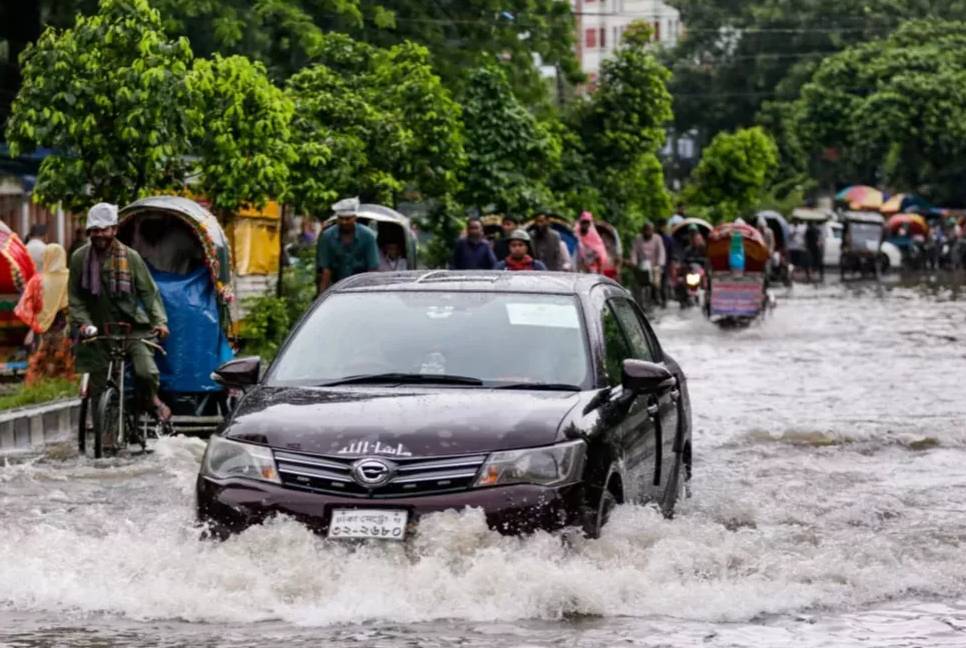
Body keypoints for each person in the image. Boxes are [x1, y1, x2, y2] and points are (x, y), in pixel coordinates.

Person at [69, 203, 170, 452]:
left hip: (131, 327)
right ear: (89, 232)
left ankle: (151, 399)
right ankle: (106, 435)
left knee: (146, 371)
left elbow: (149, 293)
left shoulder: (131, 258)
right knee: (98, 383)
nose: (99, 235)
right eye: (94, 231)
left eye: (104, 230)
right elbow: (75, 298)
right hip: (98, 328)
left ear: (114, 230)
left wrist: (160, 321)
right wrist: (84, 323)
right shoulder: (80, 258)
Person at [14, 243, 75, 385]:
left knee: (40, 360)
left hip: (41, 329)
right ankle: (64, 385)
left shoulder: (37, 281)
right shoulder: (70, 278)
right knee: (64, 359)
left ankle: (37, 387)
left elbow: (24, 306)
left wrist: (34, 323)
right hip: (64, 326)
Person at [316, 197, 380, 293]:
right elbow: (326, 271)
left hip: (361, 288)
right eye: (341, 219)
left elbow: (372, 269)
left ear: (355, 217)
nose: (344, 222)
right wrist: (322, 295)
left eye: (347, 219)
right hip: (337, 288)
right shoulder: (327, 236)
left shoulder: (367, 236)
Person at [628, 222, 667, 307]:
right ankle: (639, 302)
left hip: (654, 266)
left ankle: (657, 298)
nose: (647, 232)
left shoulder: (657, 238)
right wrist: (633, 262)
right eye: (646, 230)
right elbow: (634, 251)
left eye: (649, 230)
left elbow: (661, 252)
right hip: (642, 266)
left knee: (656, 283)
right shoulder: (638, 239)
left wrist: (660, 263)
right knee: (637, 283)